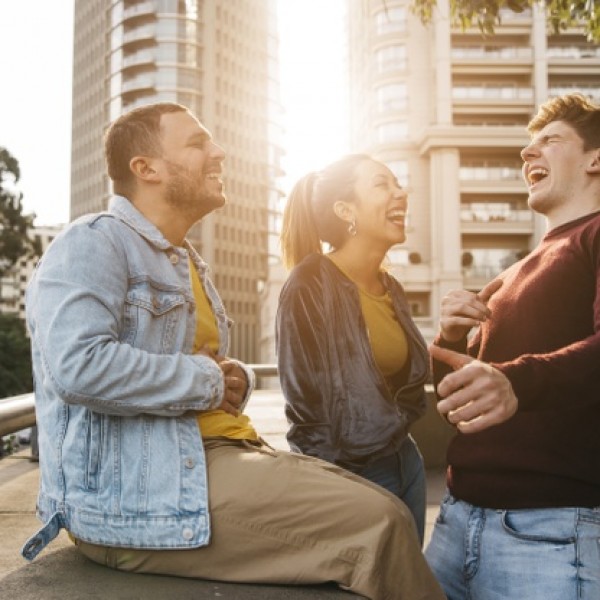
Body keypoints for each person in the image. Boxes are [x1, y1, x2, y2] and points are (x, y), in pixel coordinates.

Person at [21, 102, 444, 600]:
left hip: (214, 457)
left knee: (377, 504)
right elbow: (77, 367)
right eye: (198, 143)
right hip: (138, 498)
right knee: (382, 522)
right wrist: (207, 379)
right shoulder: (92, 242)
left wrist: (231, 377)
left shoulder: (188, 263)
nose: (218, 151)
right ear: (146, 168)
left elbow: (194, 371)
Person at [425, 92, 600, 599]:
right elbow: (460, 405)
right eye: (528, 146)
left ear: (595, 159)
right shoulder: (509, 275)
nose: (529, 154)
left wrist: (515, 380)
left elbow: (512, 383)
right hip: (456, 522)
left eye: (550, 141)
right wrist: (450, 337)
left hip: (551, 533)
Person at [276, 154, 430, 544]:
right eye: (383, 185)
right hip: (351, 473)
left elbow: (403, 382)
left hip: (406, 461)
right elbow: (306, 409)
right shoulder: (310, 283)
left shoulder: (391, 288)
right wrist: (330, 493)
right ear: (346, 210)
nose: (401, 193)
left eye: (398, 184)